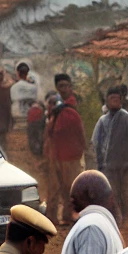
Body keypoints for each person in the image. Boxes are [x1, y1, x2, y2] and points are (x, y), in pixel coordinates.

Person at [93, 87, 128, 220]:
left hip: (125, 163)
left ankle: (125, 214)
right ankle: (115, 215)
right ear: (107, 100)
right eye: (112, 98)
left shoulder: (125, 117)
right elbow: (97, 142)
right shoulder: (103, 120)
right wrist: (101, 161)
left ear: (121, 100)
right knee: (112, 190)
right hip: (109, 163)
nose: (115, 101)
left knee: (124, 190)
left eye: (117, 99)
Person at [44, 92, 86, 225]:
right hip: (70, 157)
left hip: (55, 155)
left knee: (54, 187)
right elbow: (81, 135)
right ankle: (69, 215)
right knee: (71, 187)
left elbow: (49, 133)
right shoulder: (73, 114)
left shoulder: (56, 114)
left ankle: (52, 217)